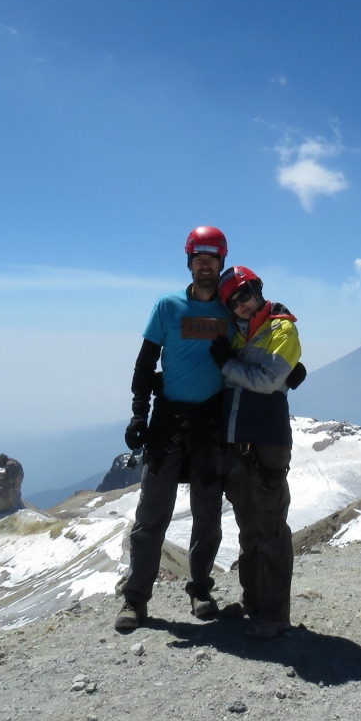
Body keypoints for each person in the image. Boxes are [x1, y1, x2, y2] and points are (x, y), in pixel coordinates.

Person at [116, 225, 232, 632]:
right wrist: (138, 414)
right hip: (167, 422)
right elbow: (145, 364)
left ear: (221, 262)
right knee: (151, 515)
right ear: (189, 261)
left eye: (212, 257)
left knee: (207, 515)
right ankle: (135, 600)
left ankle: (201, 590)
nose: (205, 264)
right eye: (199, 257)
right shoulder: (167, 307)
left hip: (209, 426)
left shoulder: (231, 309)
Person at [209, 265, 302, 638]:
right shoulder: (236, 331)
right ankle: (254, 605)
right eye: (232, 303)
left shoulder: (283, 328)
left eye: (244, 295)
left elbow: (267, 381)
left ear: (258, 290)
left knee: (271, 530)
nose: (241, 306)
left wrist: (227, 365)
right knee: (248, 528)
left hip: (267, 443)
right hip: (239, 441)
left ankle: (275, 616)